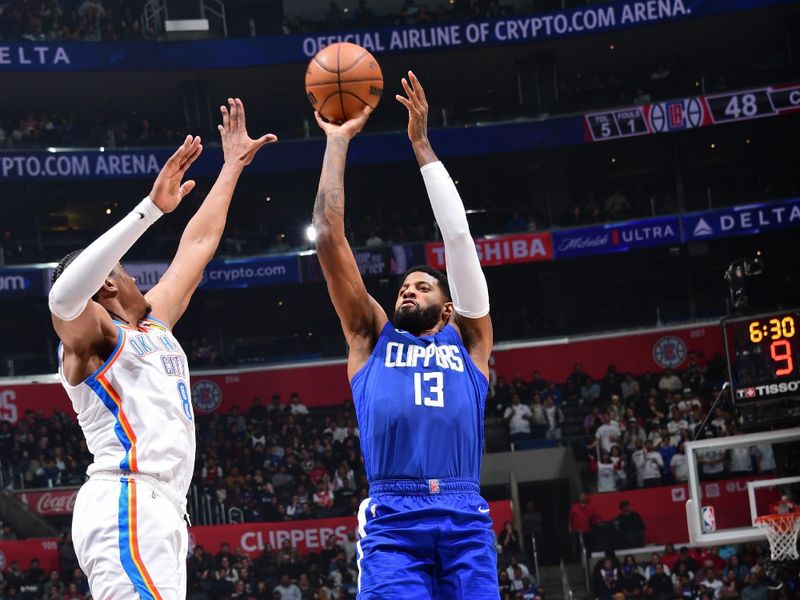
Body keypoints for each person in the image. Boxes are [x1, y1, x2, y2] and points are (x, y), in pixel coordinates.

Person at [48, 99, 276, 599]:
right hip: (124, 498)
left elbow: (198, 244)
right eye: (117, 265)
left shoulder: (153, 323)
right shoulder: (93, 341)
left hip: (164, 508)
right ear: (106, 280)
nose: (126, 267)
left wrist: (232, 166)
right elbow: (62, 297)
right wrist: (149, 211)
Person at [310, 71, 496, 598]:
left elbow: (458, 239)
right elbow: (327, 234)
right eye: (403, 287)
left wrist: (421, 145)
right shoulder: (372, 337)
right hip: (394, 518)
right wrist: (337, 142)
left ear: (448, 308)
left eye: (423, 285)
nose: (407, 290)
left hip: (464, 514)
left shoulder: (470, 341)